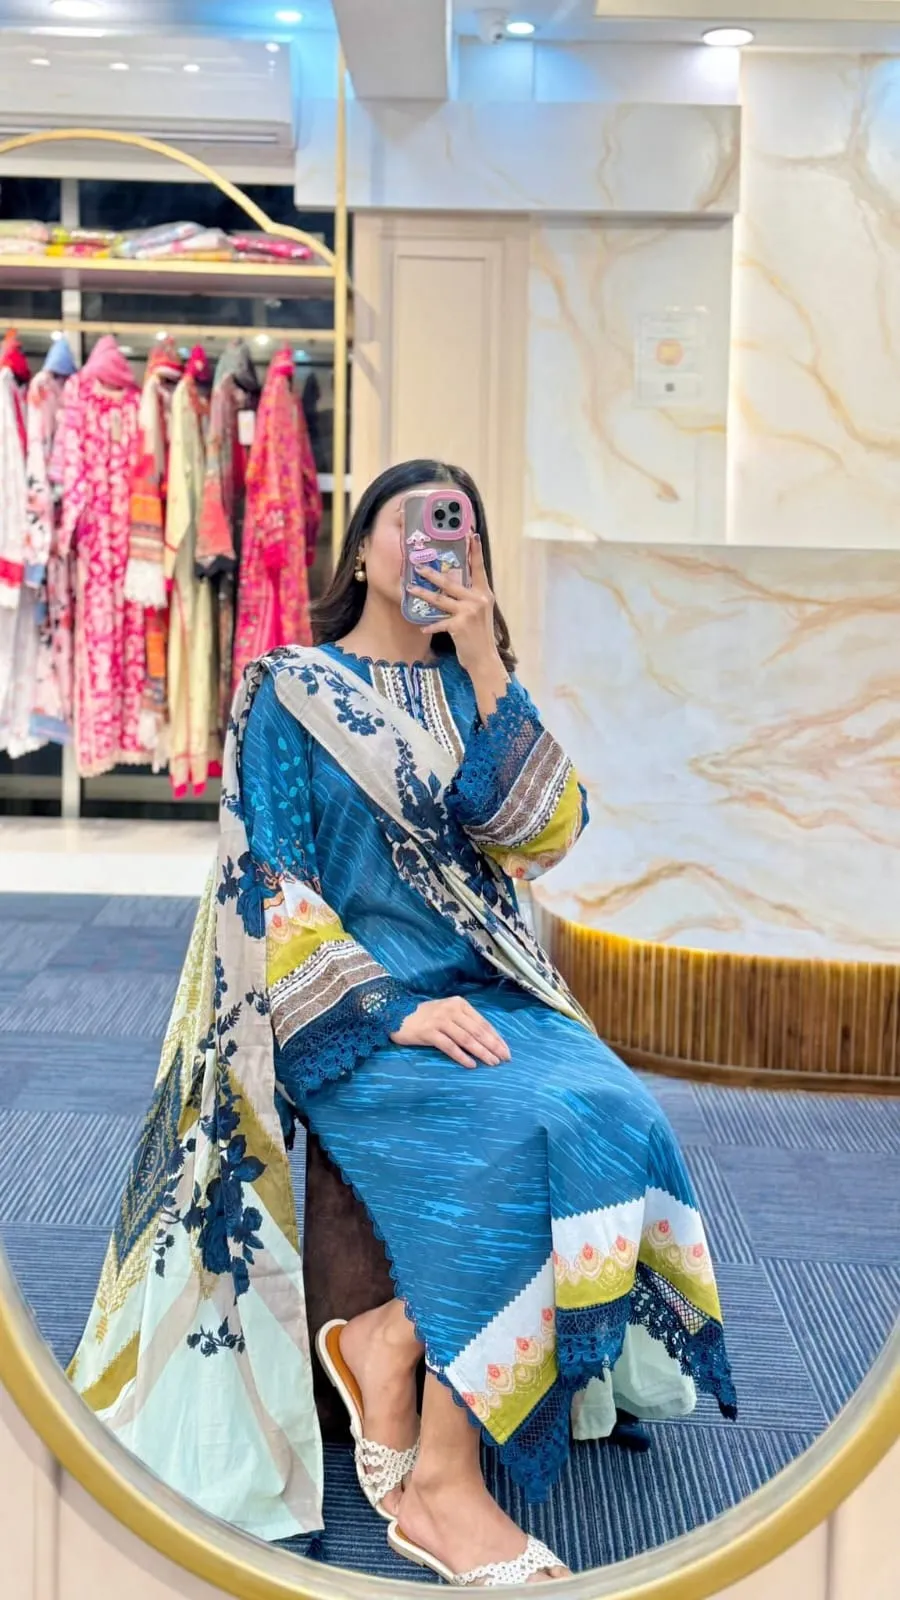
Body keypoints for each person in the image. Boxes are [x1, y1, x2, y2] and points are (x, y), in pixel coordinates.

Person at [69, 459, 736, 1589]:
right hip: (351, 1008)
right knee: (521, 1136)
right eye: (413, 522)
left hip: (498, 990)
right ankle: (441, 1482)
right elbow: (270, 880)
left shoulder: (475, 687)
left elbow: (542, 838)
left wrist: (483, 661)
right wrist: (393, 1009)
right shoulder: (289, 687)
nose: (435, 543)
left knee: (619, 1112)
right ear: (364, 546)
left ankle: (388, 1341)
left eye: (456, 529)